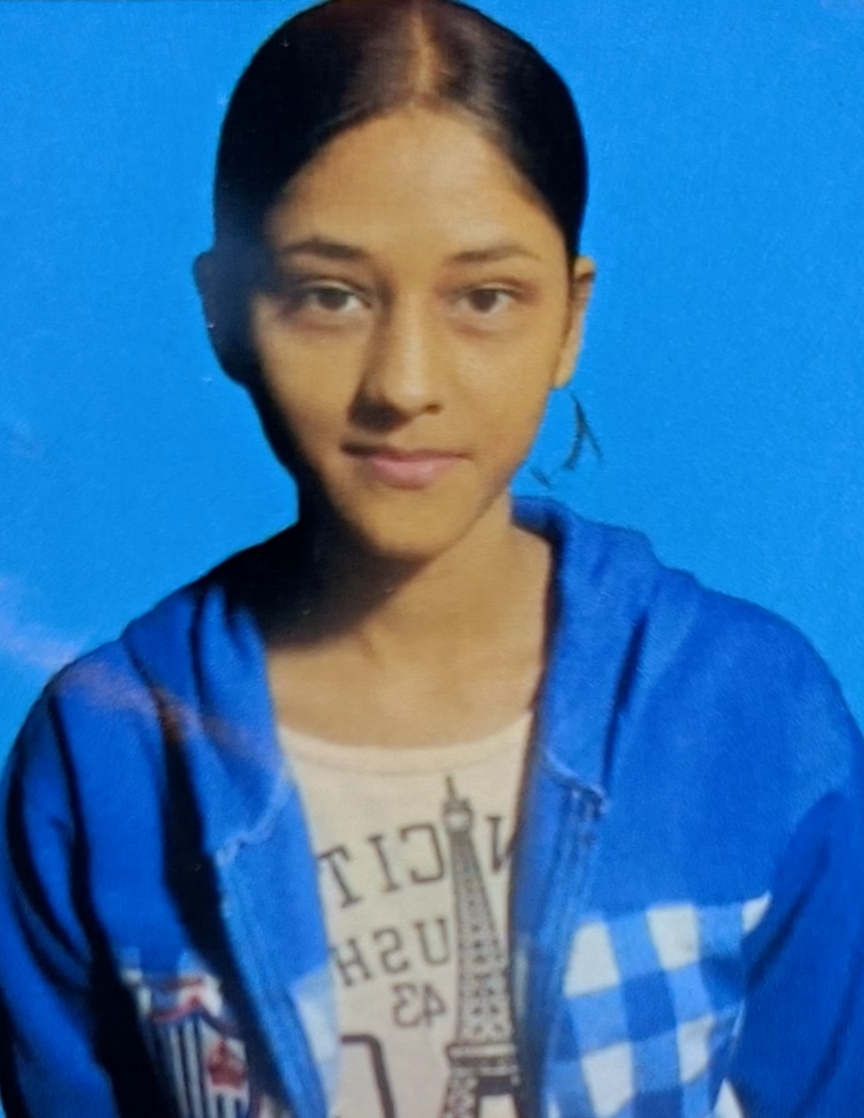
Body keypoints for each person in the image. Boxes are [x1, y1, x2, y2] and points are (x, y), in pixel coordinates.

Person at [1, 0, 863, 1115]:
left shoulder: (756, 706)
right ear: (225, 313)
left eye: (485, 297)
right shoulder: (103, 749)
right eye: (330, 295)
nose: (405, 383)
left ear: (570, 319)